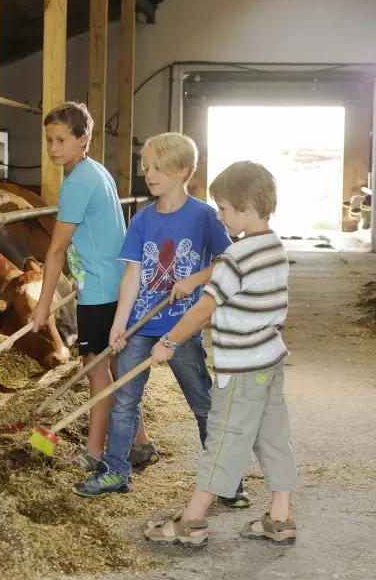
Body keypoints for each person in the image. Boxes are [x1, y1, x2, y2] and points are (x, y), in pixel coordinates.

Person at [71, 132, 247, 506]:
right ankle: (116, 471)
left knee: (202, 401)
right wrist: (119, 324)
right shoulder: (142, 219)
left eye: (157, 168)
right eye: (146, 167)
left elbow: (228, 262)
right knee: (124, 401)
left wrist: (194, 280)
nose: (149, 175)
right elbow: (132, 275)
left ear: (182, 170)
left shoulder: (204, 216)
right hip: (140, 325)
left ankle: (226, 478)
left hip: (181, 328)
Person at [143, 160, 297, 547]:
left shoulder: (235, 257)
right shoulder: (274, 247)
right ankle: (281, 518)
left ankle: (192, 521)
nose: (219, 215)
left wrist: (168, 343)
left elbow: (203, 309)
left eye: (224, 208)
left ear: (247, 207)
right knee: (273, 437)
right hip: (269, 363)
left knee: (224, 439)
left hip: (241, 370)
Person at [30, 101, 148, 470]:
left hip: (99, 289)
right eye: (49, 140)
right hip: (115, 283)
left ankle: (95, 452)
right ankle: (141, 443)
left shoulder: (78, 183)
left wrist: (42, 306)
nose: (53, 148)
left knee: (95, 368)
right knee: (111, 366)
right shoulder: (95, 171)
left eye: (61, 140)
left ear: (83, 139)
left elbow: (56, 250)